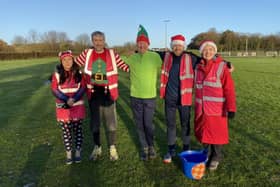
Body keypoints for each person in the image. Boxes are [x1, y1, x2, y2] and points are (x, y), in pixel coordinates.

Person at [75, 31, 129, 161]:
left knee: (111, 123)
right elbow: (74, 65)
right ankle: (97, 147)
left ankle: (112, 147)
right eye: (95, 40)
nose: (98, 42)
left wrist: (136, 70)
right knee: (95, 123)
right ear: (92, 41)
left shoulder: (111, 53)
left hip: (109, 93)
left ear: (104, 40)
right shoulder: (87, 53)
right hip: (93, 94)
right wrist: (60, 72)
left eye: (100, 40)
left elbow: (123, 66)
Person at [194, 40, 236, 171]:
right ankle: (206, 153)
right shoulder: (197, 66)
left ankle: (216, 157)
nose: (208, 52)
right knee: (204, 132)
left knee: (217, 134)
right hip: (202, 109)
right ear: (201, 52)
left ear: (215, 51)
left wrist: (231, 108)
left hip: (217, 109)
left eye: (211, 49)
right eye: (205, 50)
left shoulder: (222, 66)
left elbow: (229, 89)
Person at [125, 25, 162, 161]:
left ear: (148, 44)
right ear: (136, 44)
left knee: (148, 124)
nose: (141, 45)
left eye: (144, 43)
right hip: (135, 96)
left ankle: (151, 146)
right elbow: (115, 61)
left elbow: (170, 63)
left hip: (150, 97)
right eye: (139, 43)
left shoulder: (155, 56)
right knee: (139, 124)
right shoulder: (131, 57)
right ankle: (144, 147)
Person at [51, 50, 86, 165]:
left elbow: (83, 87)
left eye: (69, 59)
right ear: (61, 62)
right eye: (64, 60)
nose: (67, 62)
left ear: (73, 60)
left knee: (77, 131)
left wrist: (74, 99)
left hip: (77, 107)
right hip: (63, 108)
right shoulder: (56, 74)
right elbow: (54, 89)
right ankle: (69, 154)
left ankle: (78, 153)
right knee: (66, 132)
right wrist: (67, 99)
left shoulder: (79, 73)